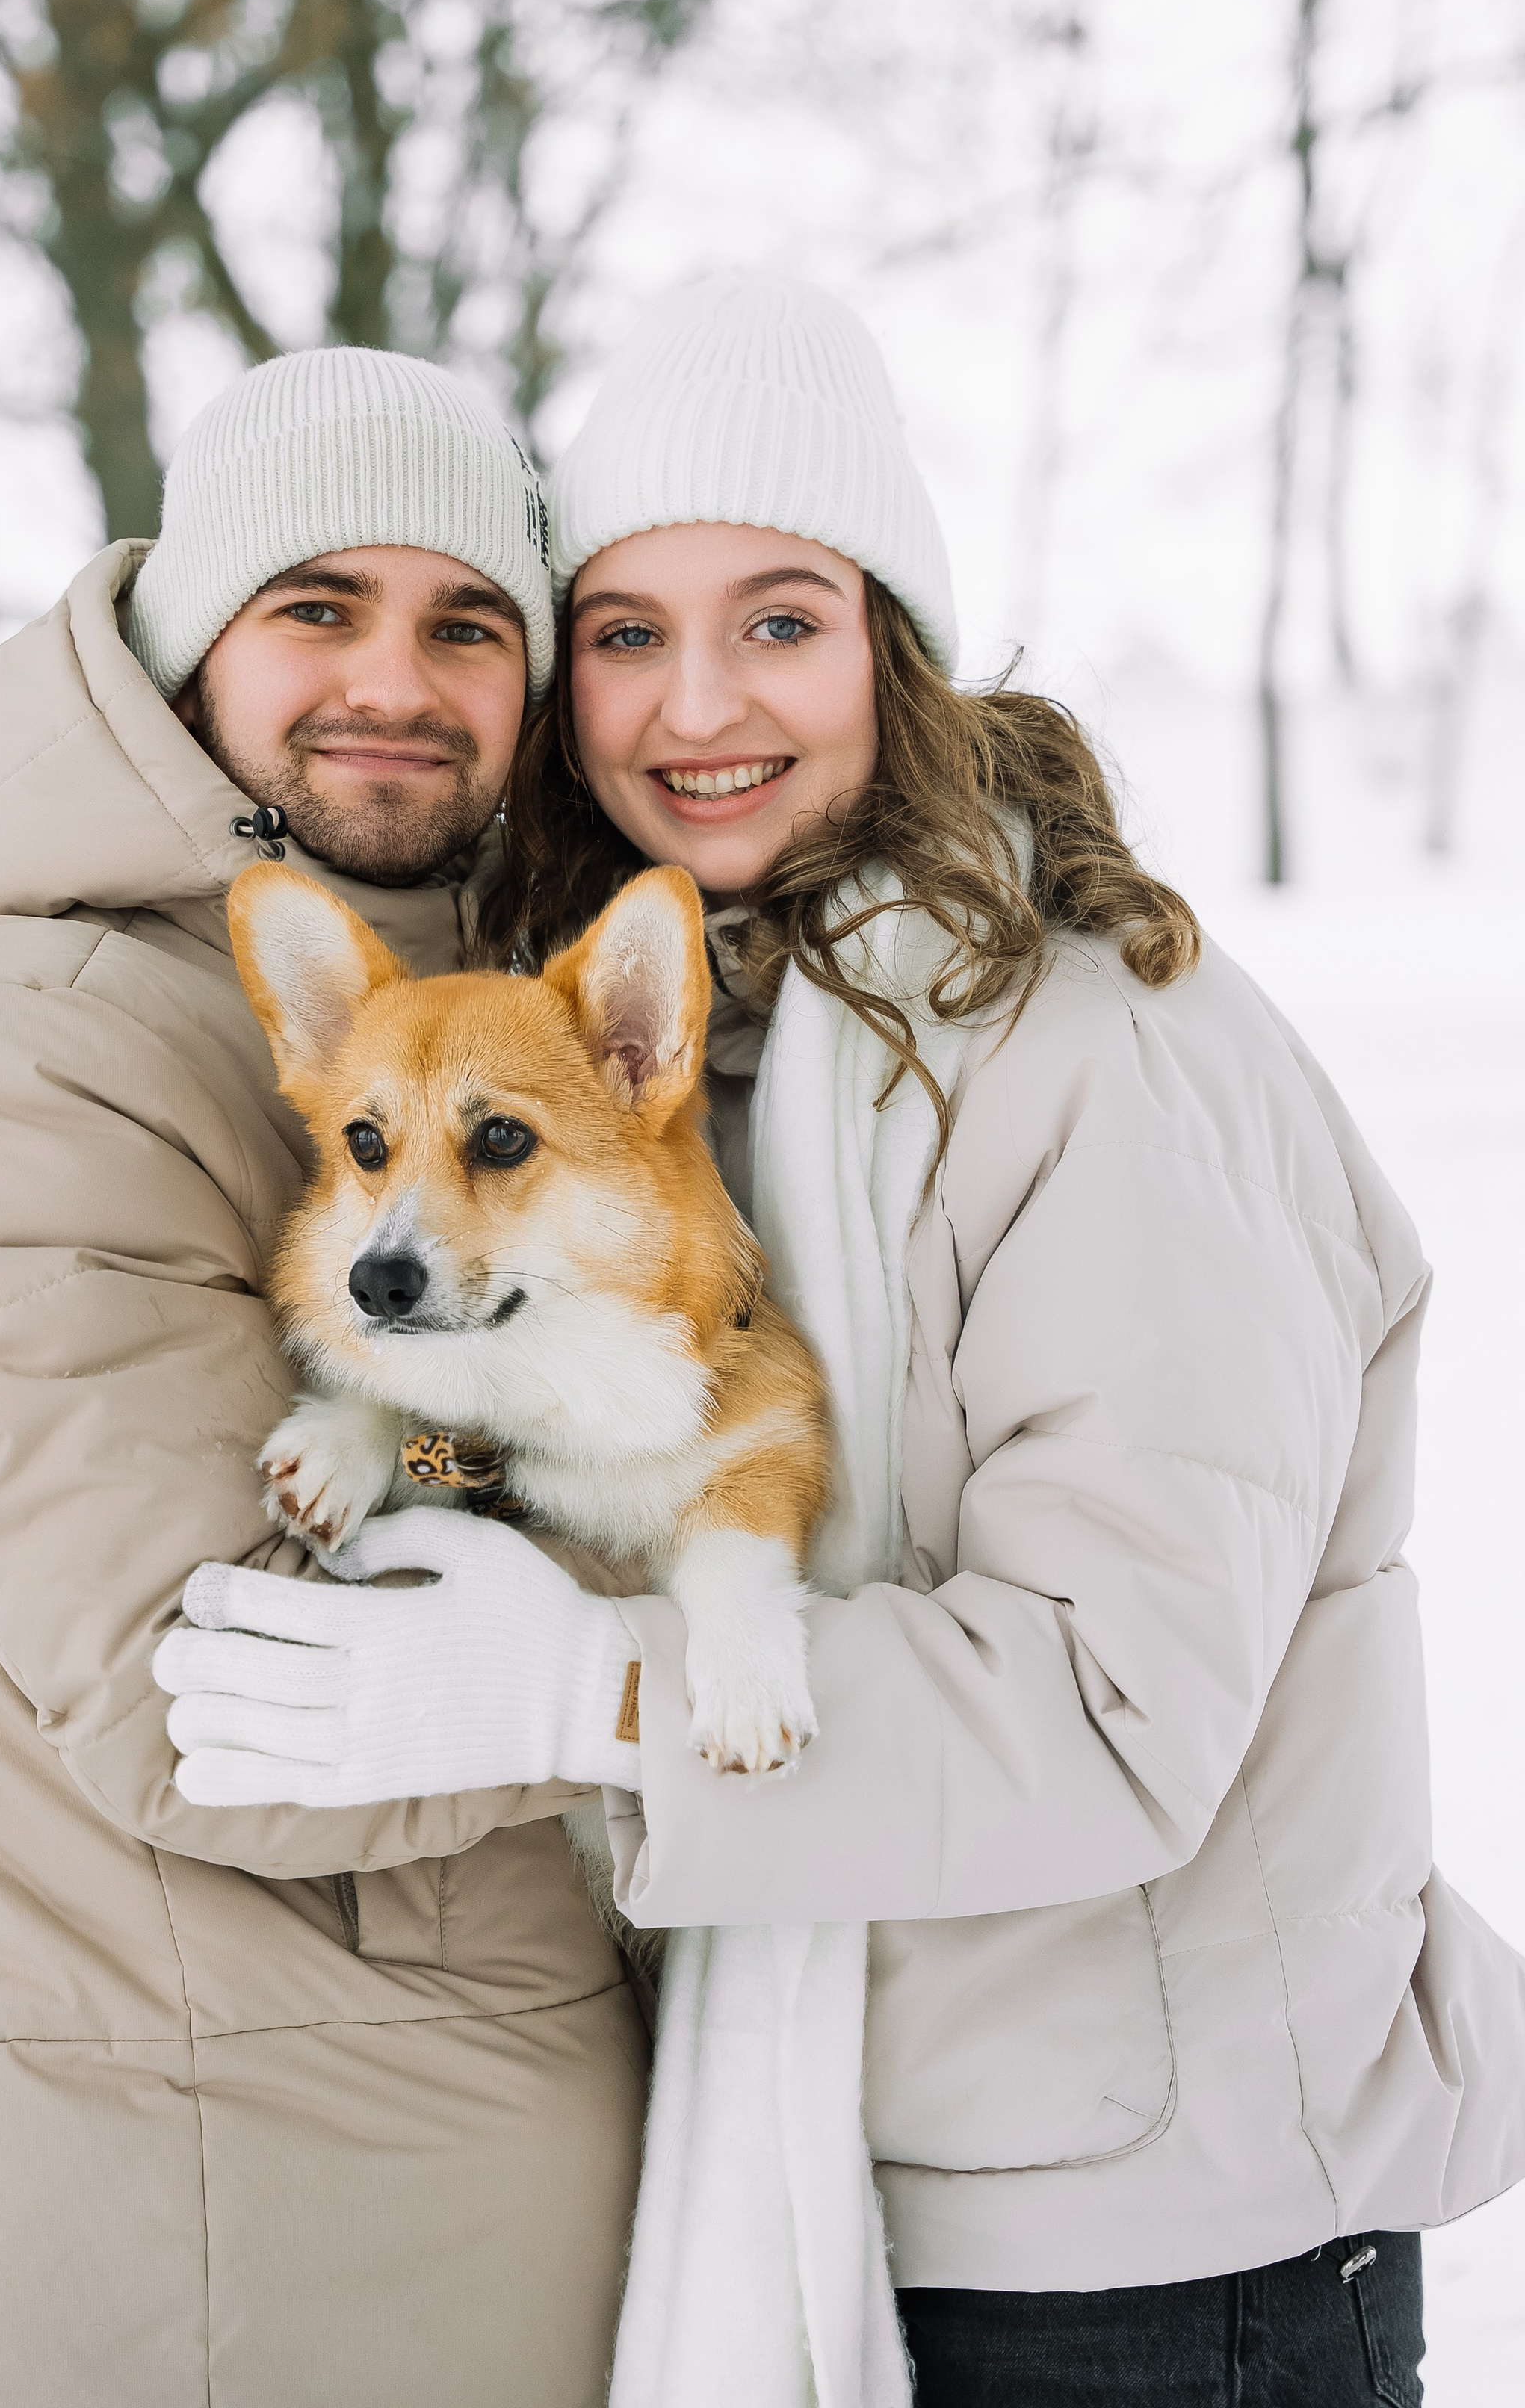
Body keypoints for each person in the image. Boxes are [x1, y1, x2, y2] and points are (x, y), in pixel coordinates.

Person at [161, 281, 1525, 2407]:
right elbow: (591, 1463)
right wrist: (426, 1495)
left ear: (893, 647)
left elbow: (1117, 1698)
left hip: (1157, 2248)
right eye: (625, 632)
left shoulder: (1103, 1055)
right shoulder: (718, 1057)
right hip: (847, 2183)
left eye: (779, 620)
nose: (697, 702)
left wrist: (588, 1682)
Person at [0, 347, 650, 2408]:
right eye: (314, 608)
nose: (397, 680)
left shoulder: (431, 1024)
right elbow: (217, 1695)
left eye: (466, 625)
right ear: (184, 652)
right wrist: (746, 1630)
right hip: (215, 2242)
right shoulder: (26, 1055)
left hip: (358, 2198)